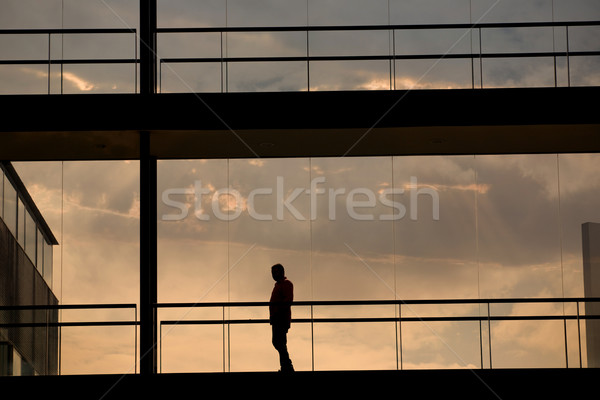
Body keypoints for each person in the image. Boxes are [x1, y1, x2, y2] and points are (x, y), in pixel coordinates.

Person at [269, 263, 294, 373]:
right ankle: (285, 366)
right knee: (279, 342)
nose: (274, 274)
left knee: (279, 342)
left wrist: (278, 312)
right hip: (276, 319)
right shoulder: (278, 285)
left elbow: (288, 300)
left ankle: (287, 366)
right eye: (273, 272)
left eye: (276, 272)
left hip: (281, 318)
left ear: (282, 272)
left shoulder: (286, 284)